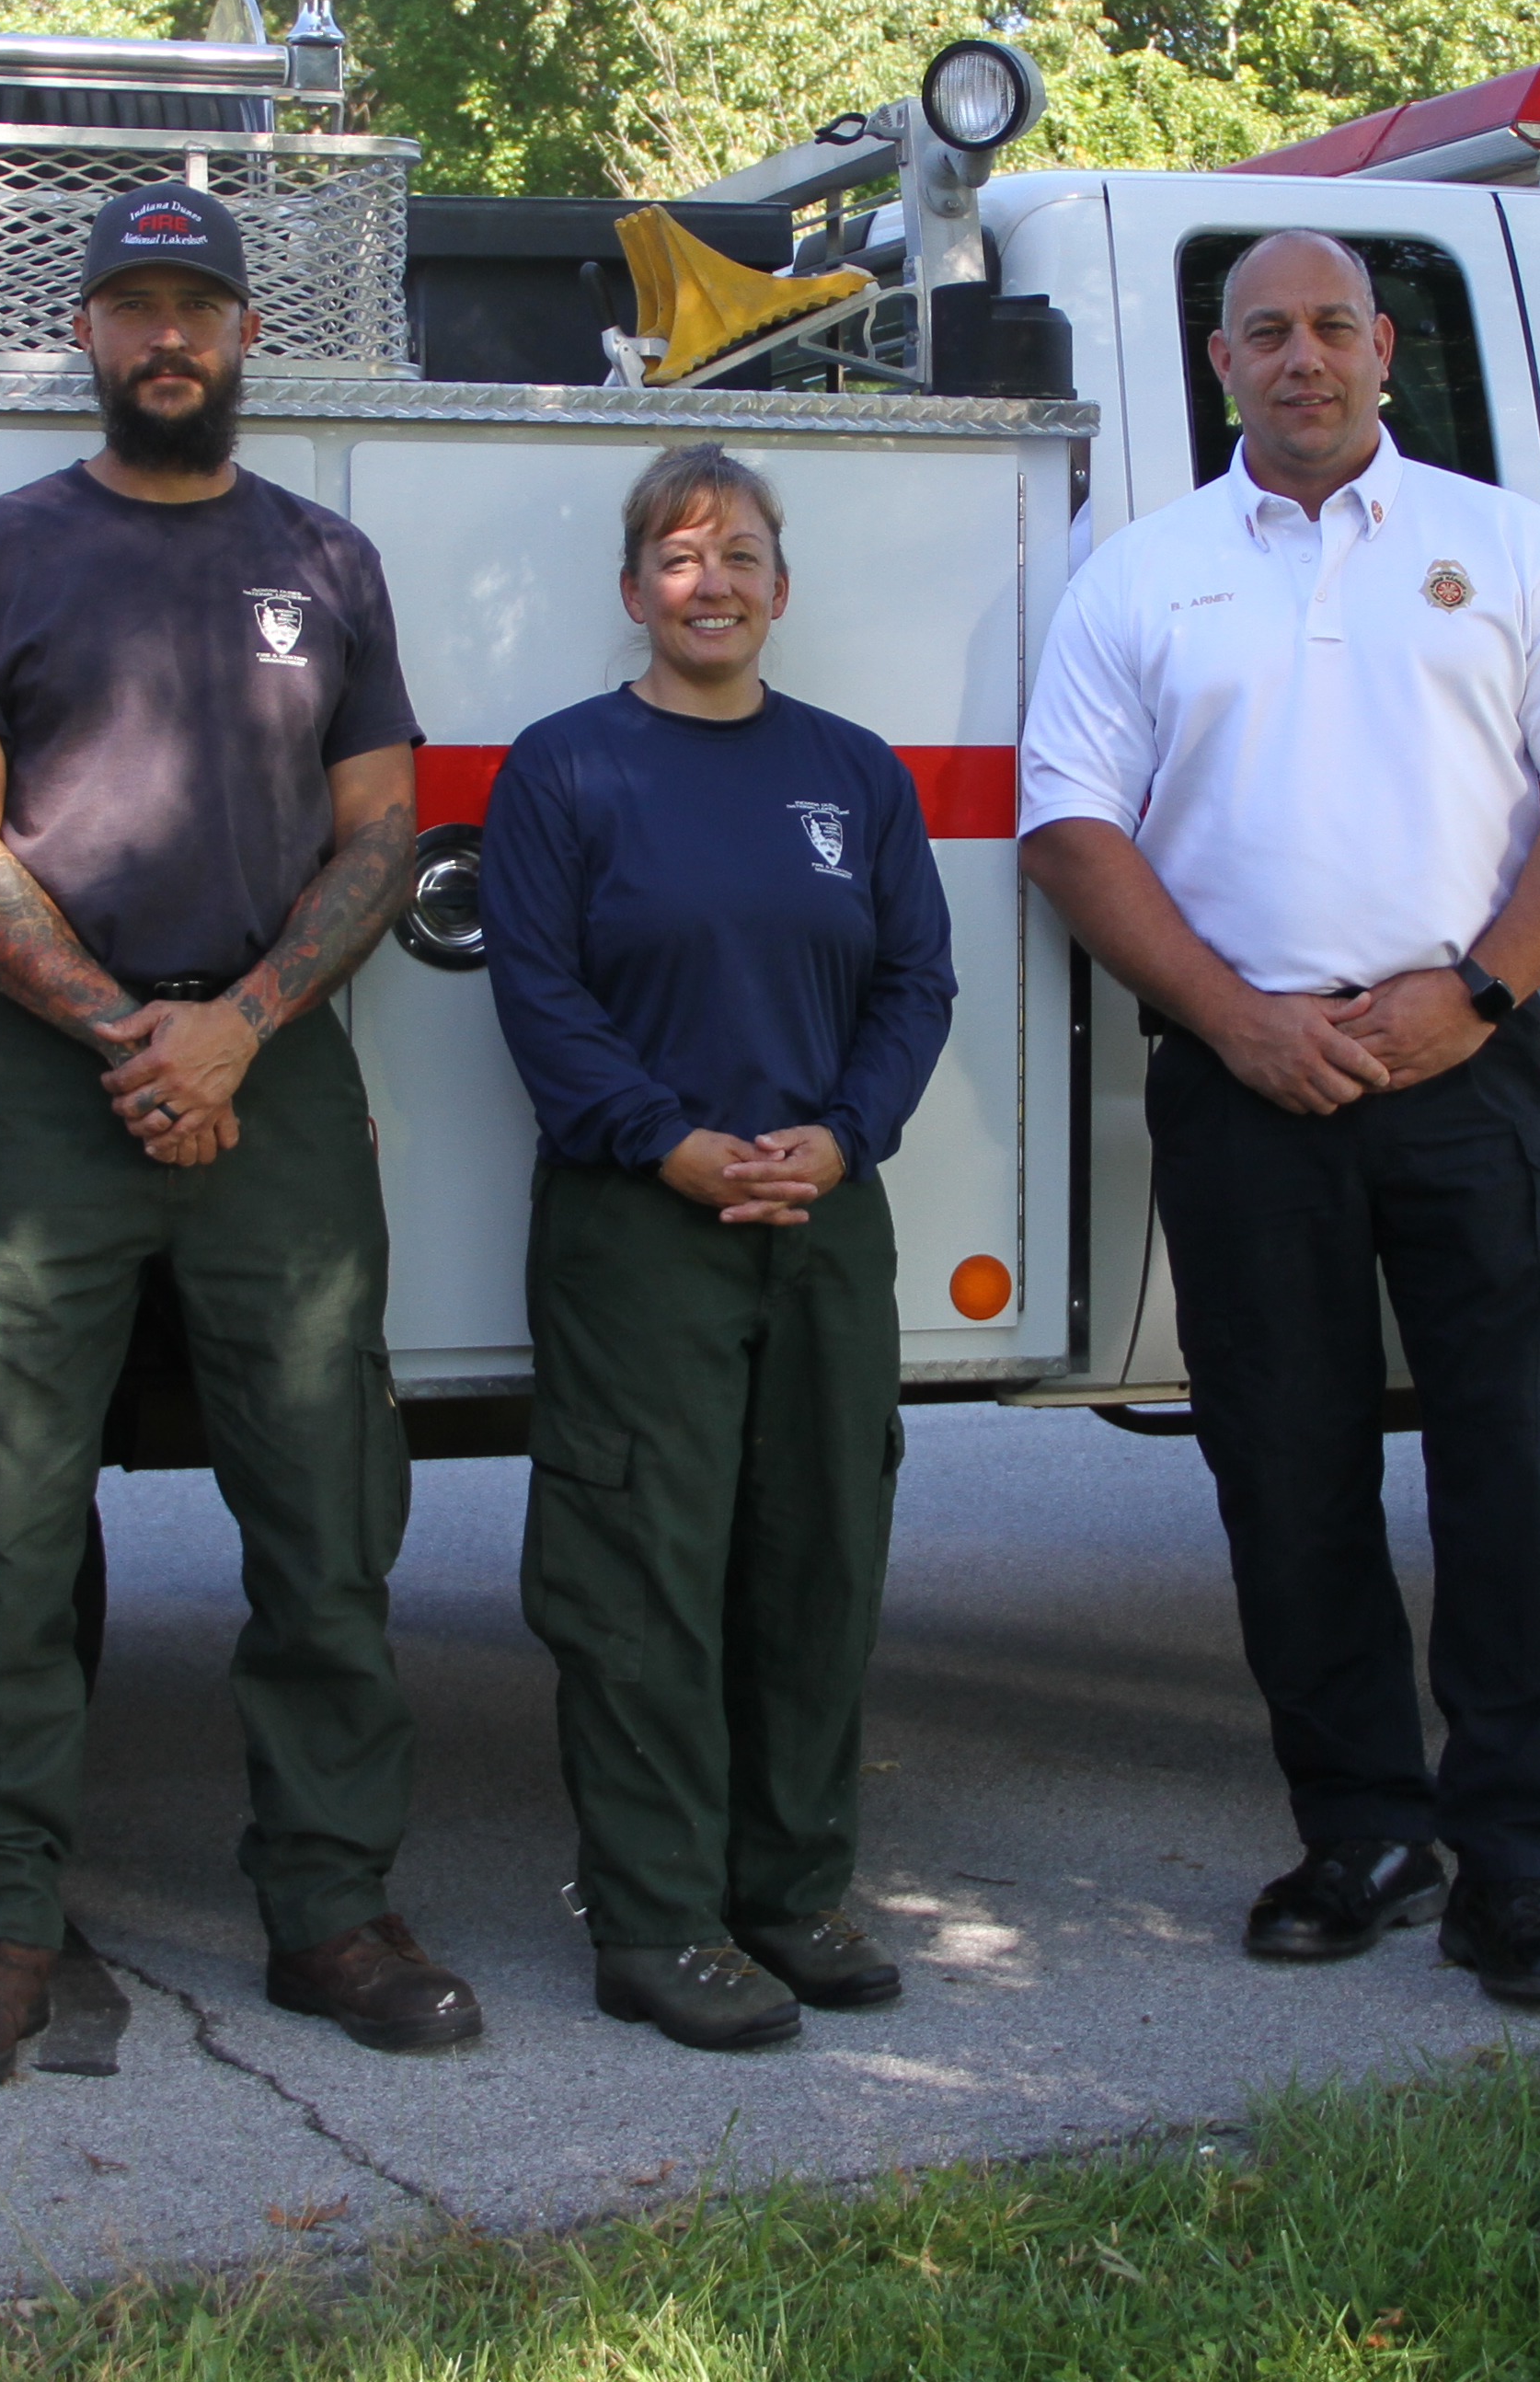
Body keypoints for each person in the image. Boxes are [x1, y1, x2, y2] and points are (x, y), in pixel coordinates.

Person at [1019, 230, 1540, 2011]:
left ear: (1386, 349)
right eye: (1264, 335)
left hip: (1468, 1061)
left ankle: (1522, 1864)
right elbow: (1072, 824)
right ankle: (1365, 1826)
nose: (1301, 359)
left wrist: (1477, 994)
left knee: (1515, 1472)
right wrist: (1232, 1019)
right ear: (1218, 365)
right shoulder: (1141, 574)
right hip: (1245, 1085)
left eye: (1330, 329)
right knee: (1286, 1476)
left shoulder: (1509, 548)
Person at [0, 179, 472, 2088]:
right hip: (56, 1083)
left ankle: (332, 1912)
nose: (167, 339)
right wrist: (135, 1032)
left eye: (195, 309)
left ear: (243, 340)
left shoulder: (325, 559)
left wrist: (238, 1030)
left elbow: (384, 829)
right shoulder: (0, 553)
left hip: (275, 1073)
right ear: (86, 334)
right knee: (5, 1528)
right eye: (133, 308)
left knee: (323, 1524)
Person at [479, 445, 959, 2053]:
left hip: (823, 1216)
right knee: (642, 1579)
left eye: (741, 555)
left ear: (780, 588)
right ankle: (657, 1918)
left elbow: (916, 986)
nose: (713, 582)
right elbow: (537, 996)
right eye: (680, 558)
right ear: (634, 592)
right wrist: (671, 1144)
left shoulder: (852, 773)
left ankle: (793, 1888)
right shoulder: (565, 770)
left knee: (818, 1558)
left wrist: (842, 1136)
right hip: (639, 1221)